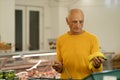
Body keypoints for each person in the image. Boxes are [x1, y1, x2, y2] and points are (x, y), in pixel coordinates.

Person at [52, 8, 106, 79]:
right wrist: (58, 67)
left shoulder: (92, 39)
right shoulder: (60, 40)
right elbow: (61, 68)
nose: (78, 26)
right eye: (74, 22)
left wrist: (97, 65)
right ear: (67, 21)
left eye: (81, 22)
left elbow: (97, 70)